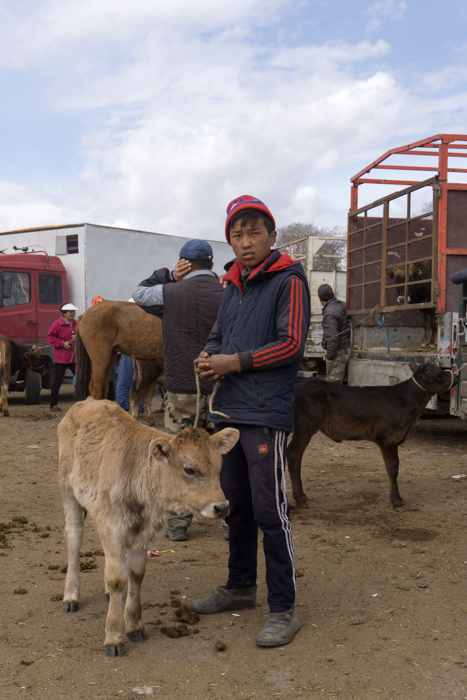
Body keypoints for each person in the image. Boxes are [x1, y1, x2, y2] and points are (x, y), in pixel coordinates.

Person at [189, 195, 310, 648]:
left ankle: (283, 609)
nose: (245, 242)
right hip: (229, 412)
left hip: (264, 414)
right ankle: (240, 586)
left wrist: (233, 362)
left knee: (269, 511)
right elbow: (219, 334)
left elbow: (292, 344)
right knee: (234, 505)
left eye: (254, 233)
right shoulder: (233, 285)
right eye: (237, 235)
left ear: (272, 236)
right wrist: (208, 356)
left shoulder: (288, 281)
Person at [133, 239, 224, 541]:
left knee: (179, 456)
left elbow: (139, 294)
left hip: (182, 386)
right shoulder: (228, 293)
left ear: (184, 264)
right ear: (212, 265)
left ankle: (178, 522)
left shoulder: (169, 292)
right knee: (221, 455)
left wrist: (169, 276)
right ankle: (229, 519)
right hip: (223, 386)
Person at [47, 302, 78, 411]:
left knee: (81, 380)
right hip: (61, 359)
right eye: (70, 312)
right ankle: (53, 404)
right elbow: (50, 337)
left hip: (75, 358)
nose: (72, 313)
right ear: (64, 313)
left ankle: (82, 402)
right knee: (57, 381)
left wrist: (78, 337)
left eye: (73, 311)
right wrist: (62, 344)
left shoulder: (77, 324)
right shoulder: (56, 324)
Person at [317, 283, 350, 383]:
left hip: (338, 352)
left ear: (319, 298)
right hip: (346, 348)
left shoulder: (329, 313)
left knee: (332, 385)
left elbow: (332, 336)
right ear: (333, 294)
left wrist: (330, 356)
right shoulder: (343, 305)